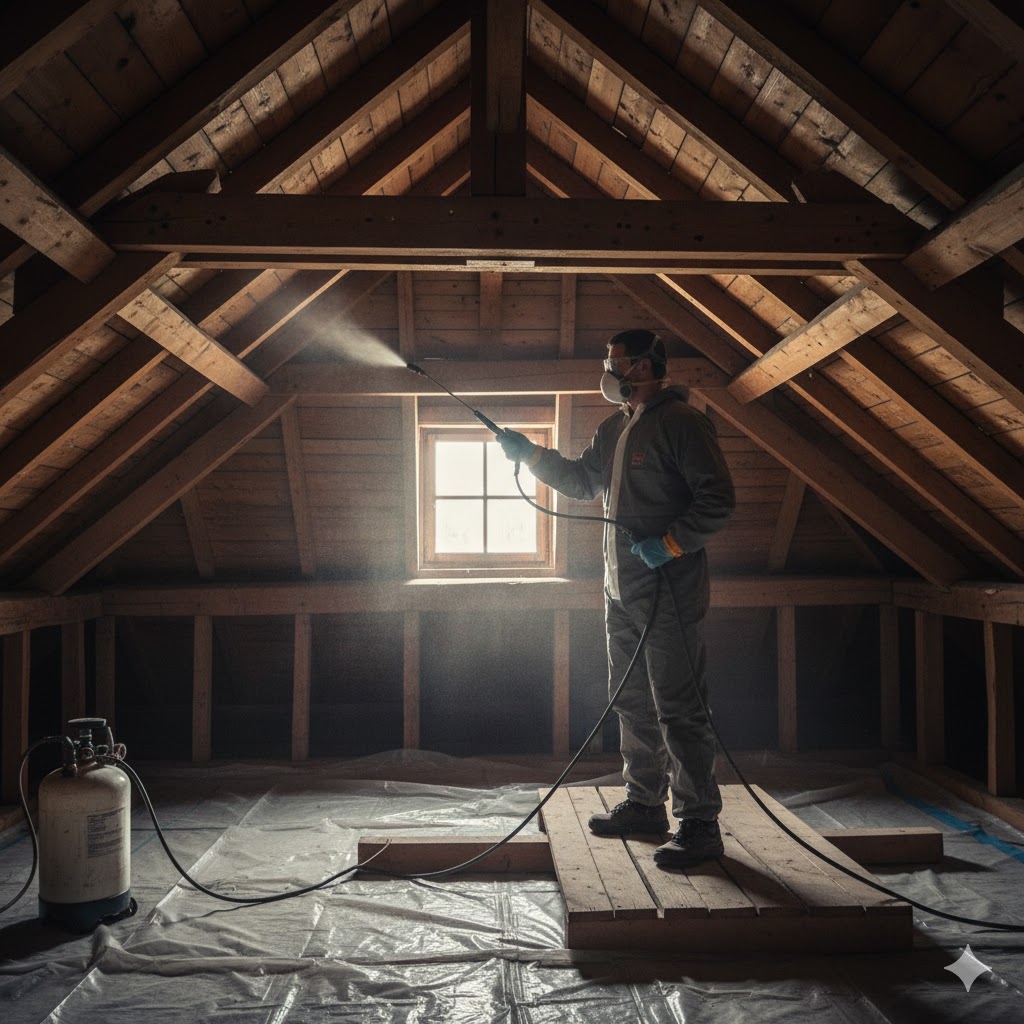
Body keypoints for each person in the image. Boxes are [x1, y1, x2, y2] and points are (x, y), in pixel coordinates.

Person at [498, 328, 735, 869]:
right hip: (621, 591)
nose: (607, 372)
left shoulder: (682, 423)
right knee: (631, 700)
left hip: (670, 593)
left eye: (615, 363)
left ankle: (700, 823)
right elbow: (583, 482)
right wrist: (531, 454)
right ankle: (645, 804)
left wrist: (669, 544)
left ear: (644, 367)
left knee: (679, 708)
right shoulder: (615, 427)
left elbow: (718, 500)